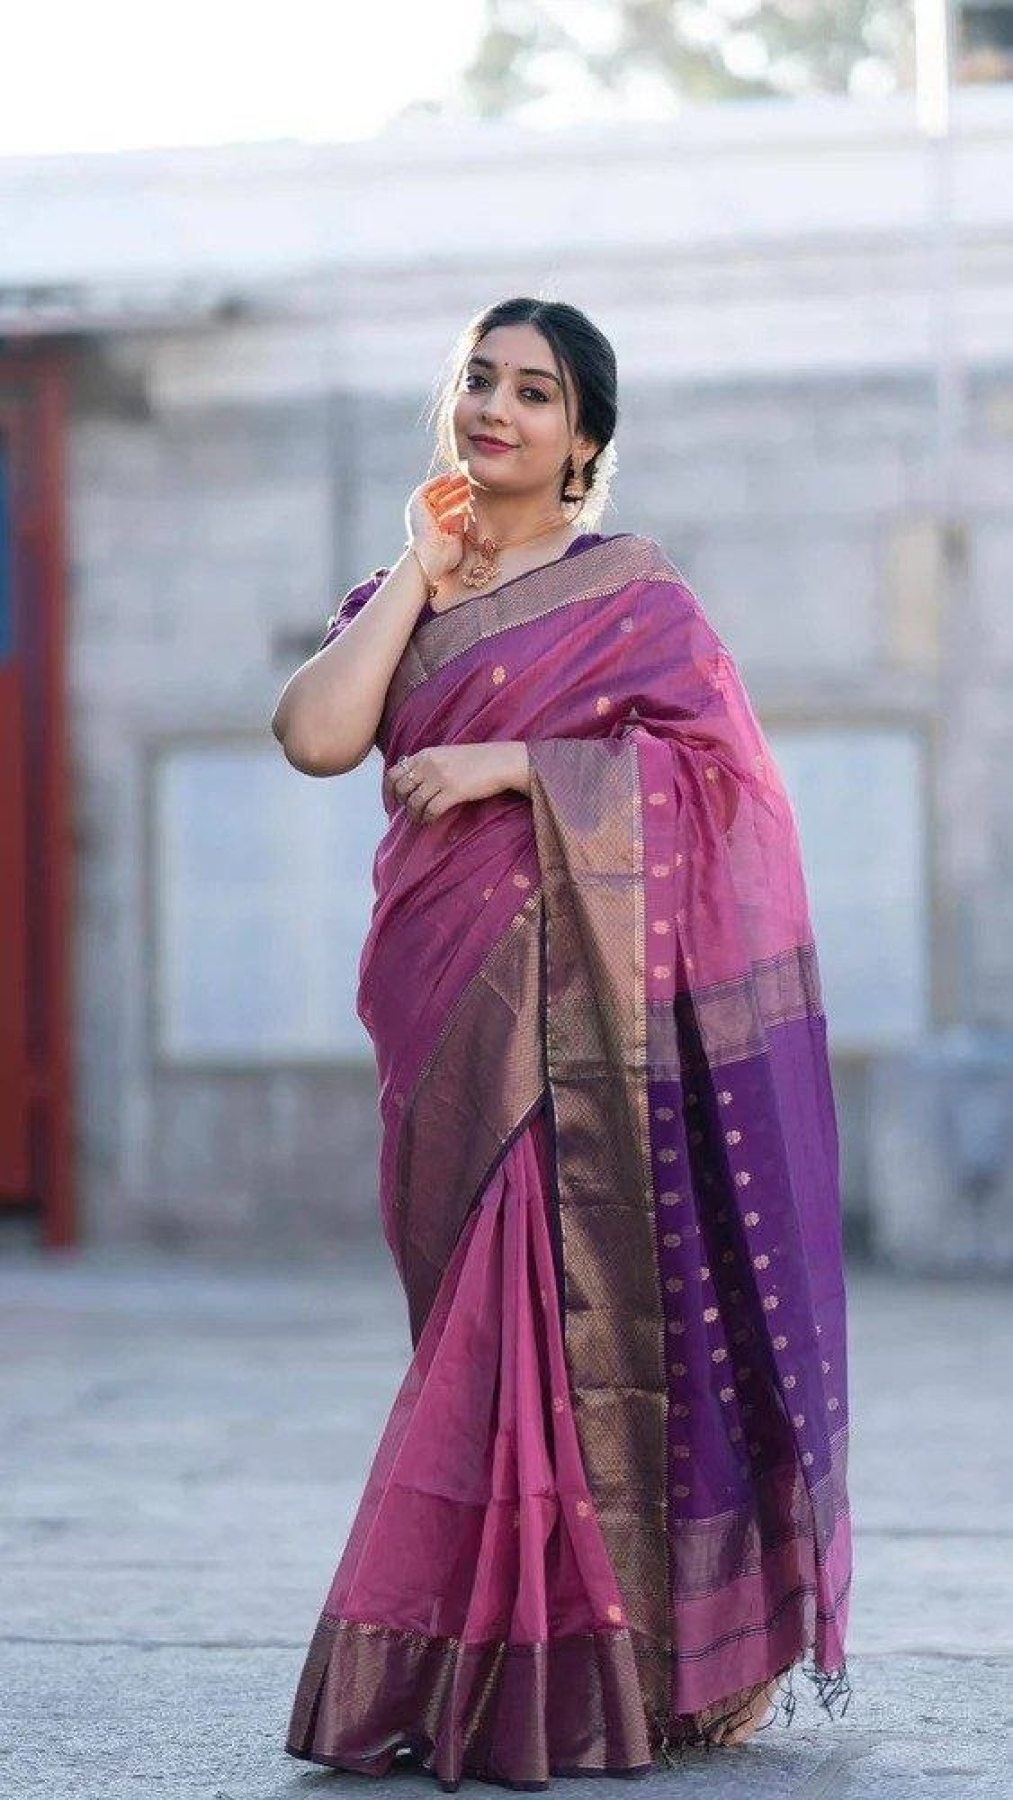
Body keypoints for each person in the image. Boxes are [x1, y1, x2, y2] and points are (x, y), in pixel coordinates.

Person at [272, 296, 853, 1790]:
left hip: (577, 1017)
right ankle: (518, 1661)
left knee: (537, 1323)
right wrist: (418, 569)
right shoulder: (404, 594)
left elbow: (721, 786)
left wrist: (520, 765)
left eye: (535, 392)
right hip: (438, 1004)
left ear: (584, 436)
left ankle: (599, 1669)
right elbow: (317, 735)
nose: (498, 408)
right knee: (474, 1332)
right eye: (480, 379)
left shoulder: (635, 598)